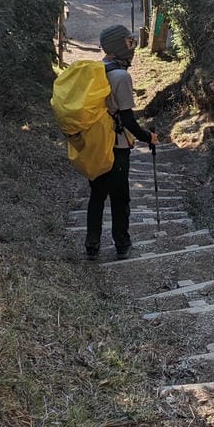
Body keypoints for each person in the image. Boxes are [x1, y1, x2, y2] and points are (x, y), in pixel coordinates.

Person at [86, 24, 160, 261]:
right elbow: (127, 118)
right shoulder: (120, 76)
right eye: (129, 43)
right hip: (116, 146)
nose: (132, 49)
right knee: (120, 196)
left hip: (94, 144)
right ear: (119, 45)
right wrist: (148, 136)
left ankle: (92, 245)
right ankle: (121, 243)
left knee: (97, 195)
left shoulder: (97, 69)